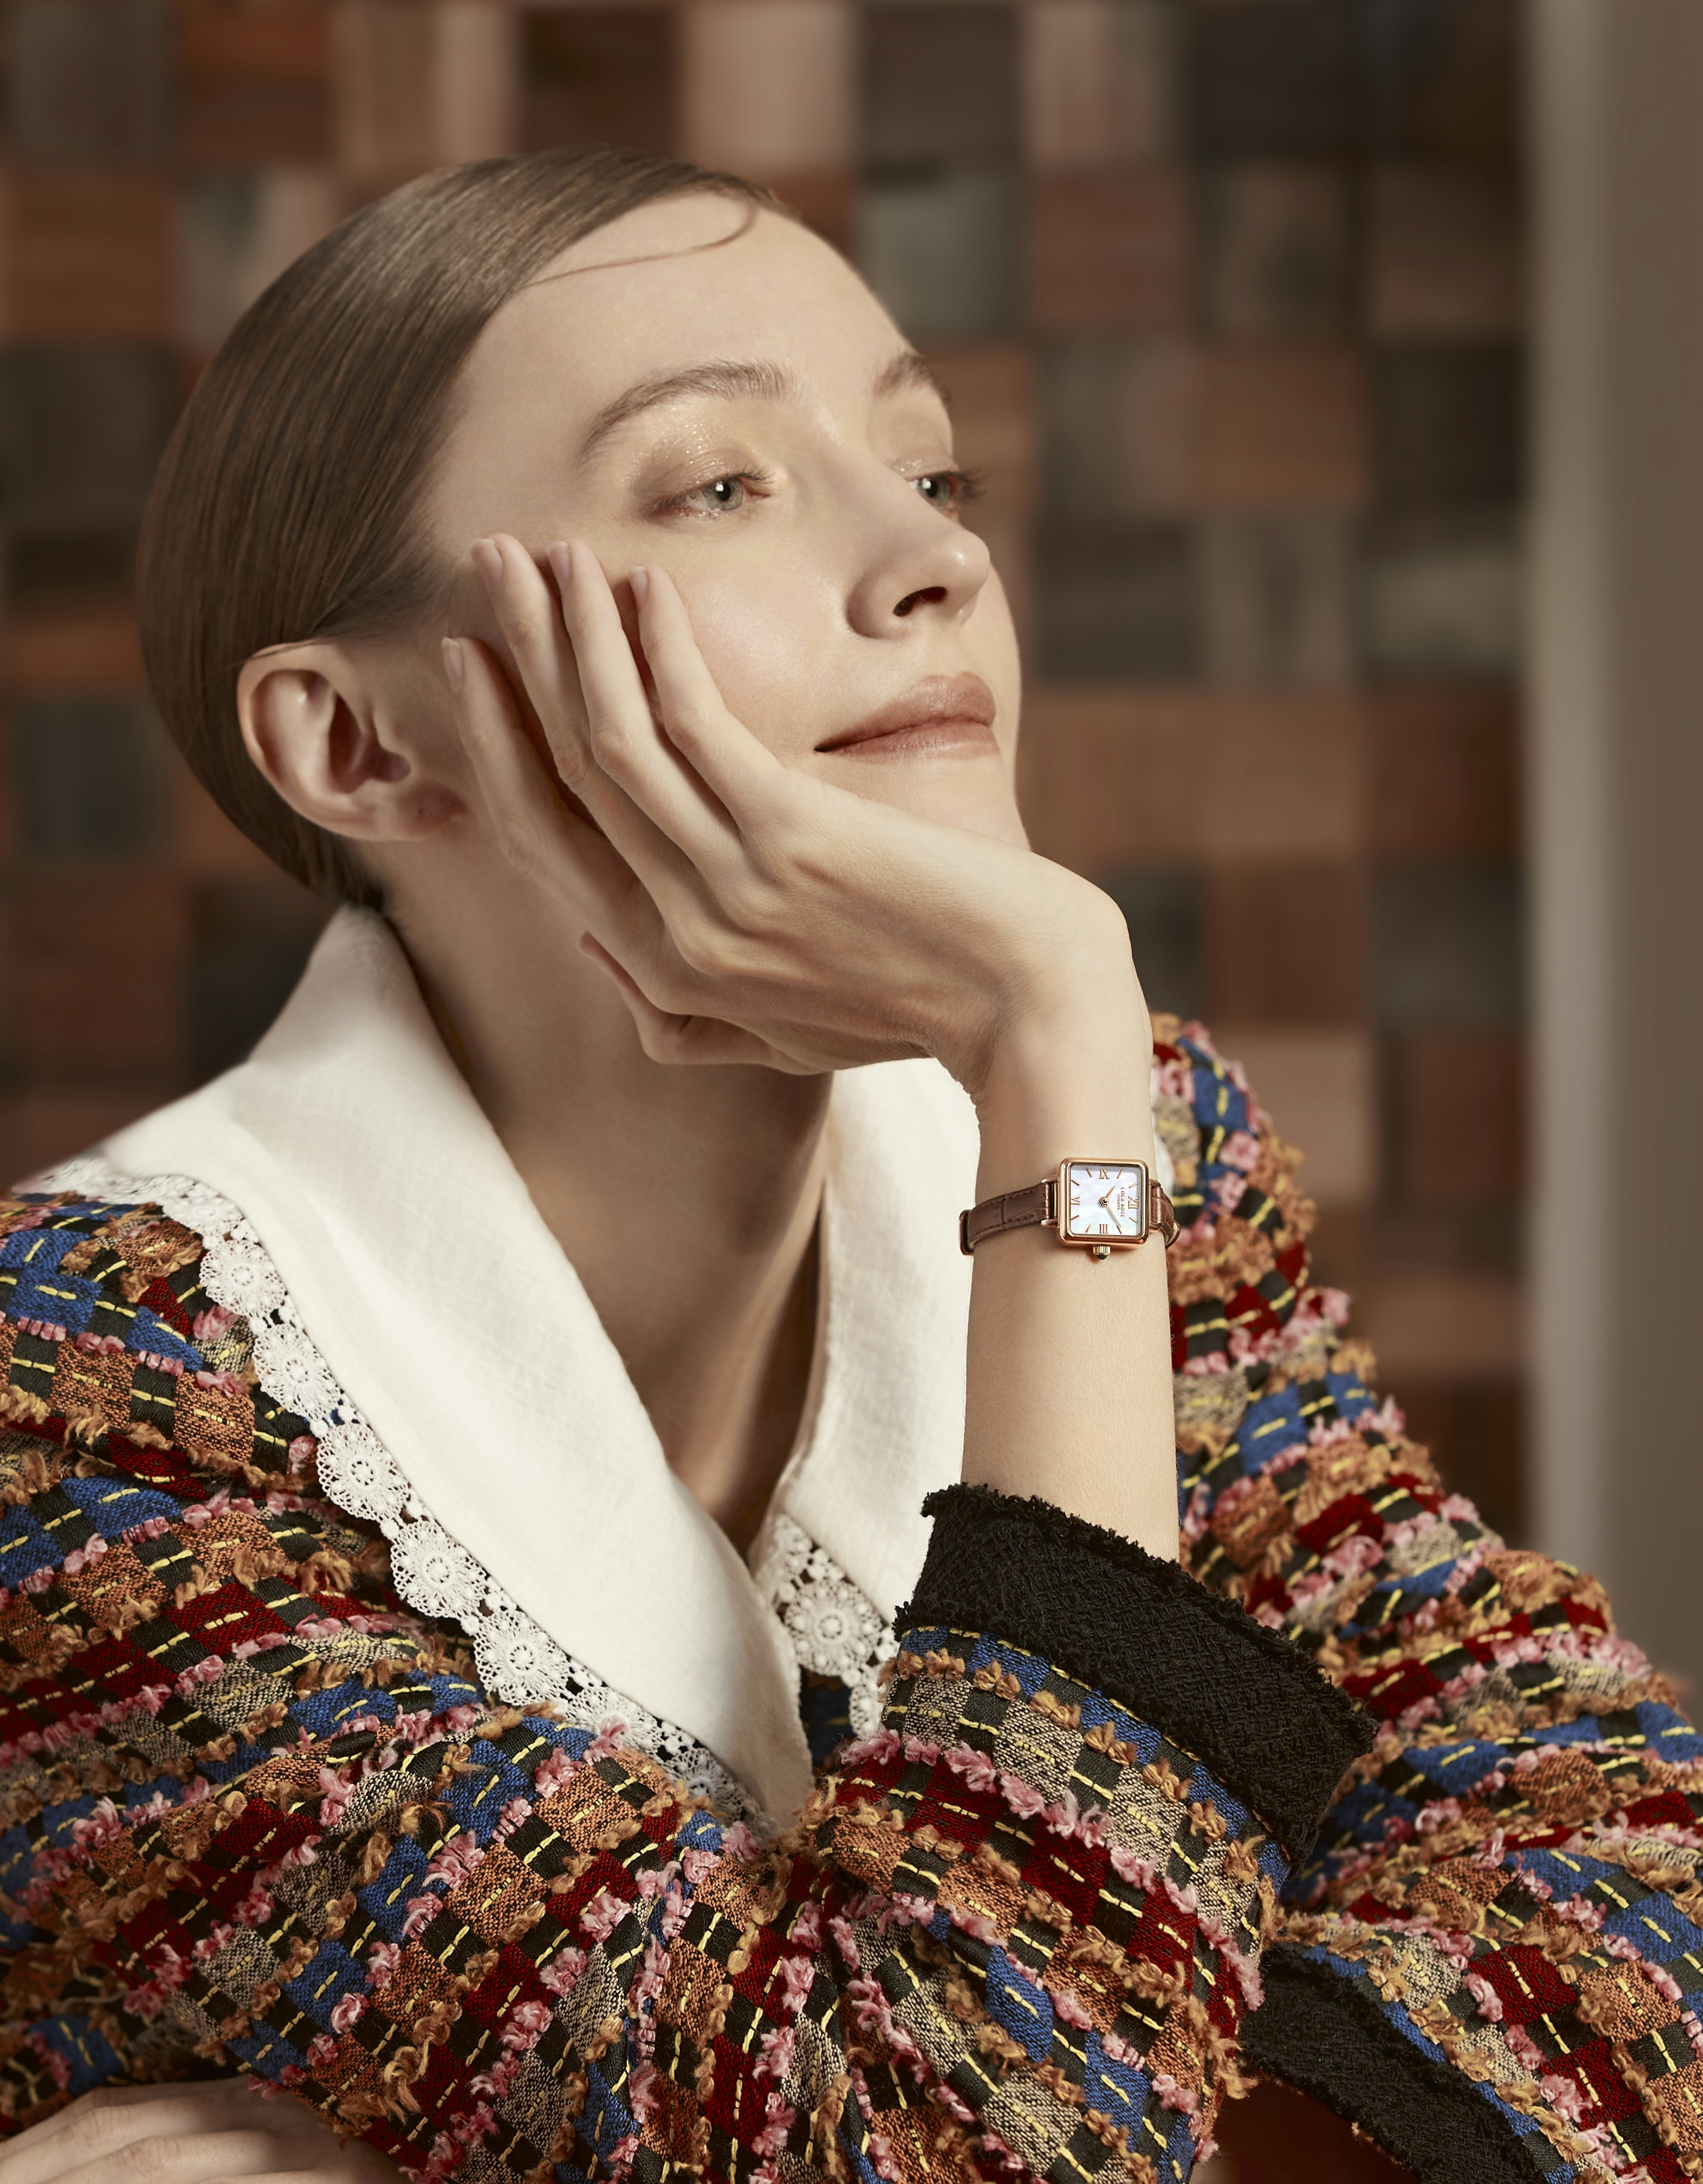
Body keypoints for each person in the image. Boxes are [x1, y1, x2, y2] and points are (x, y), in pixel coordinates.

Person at [0, 148, 1694, 2184]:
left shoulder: (1125, 1128)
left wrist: (1053, 1039)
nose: (931, 561)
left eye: (938, 474)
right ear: (363, 747)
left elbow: (1624, 1857)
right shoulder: (81, 1401)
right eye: (717, 484)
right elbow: (955, 2141)